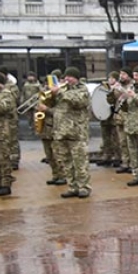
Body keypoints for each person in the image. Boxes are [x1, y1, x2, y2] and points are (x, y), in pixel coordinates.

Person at [39, 67, 92, 198]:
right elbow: (57, 111)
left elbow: (78, 102)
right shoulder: (62, 90)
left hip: (77, 132)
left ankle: (83, 187)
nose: (67, 79)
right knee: (66, 162)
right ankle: (72, 186)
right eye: (66, 76)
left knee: (80, 162)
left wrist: (59, 93)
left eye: (70, 77)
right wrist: (47, 101)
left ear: (76, 78)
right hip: (61, 132)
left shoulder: (82, 89)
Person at [0, 72, 15, 195]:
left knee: (3, 159)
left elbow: (2, 109)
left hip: (1, 131)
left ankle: (6, 184)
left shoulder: (7, 94)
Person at [38, 70, 66, 185]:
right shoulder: (45, 95)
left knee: (57, 154)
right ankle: (55, 175)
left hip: (55, 128)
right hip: (45, 128)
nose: (47, 87)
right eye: (46, 84)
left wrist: (47, 109)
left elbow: (61, 112)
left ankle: (63, 175)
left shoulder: (60, 96)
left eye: (49, 85)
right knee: (49, 155)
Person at [0, 65, 20, 170]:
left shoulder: (11, 85)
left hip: (11, 116)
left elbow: (14, 98)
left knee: (13, 139)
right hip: (1, 117)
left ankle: (14, 160)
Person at [113, 67, 135, 174]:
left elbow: (128, 96)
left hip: (129, 118)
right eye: (121, 74)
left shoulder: (133, 85)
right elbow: (112, 100)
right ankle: (125, 162)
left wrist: (120, 89)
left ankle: (132, 164)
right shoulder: (118, 86)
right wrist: (112, 91)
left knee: (130, 142)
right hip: (119, 118)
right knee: (122, 142)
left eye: (124, 74)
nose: (121, 76)